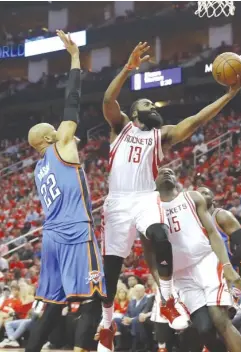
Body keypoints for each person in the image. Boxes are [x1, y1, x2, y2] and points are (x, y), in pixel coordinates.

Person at [98, 41, 241, 351]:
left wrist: (228, 95)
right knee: (111, 270)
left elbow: (195, 121)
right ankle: (106, 322)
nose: (154, 108)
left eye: (154, 105)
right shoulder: (121, 128)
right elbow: (108, 98)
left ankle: (166, 299)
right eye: (148, 105)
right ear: (135, 112)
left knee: (218, 319)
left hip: (146, 207)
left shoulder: (161, 136)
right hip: (118, 204)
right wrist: (128, 68)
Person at [26, 30, 106, 352]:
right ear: (49, 138)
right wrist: (74, 58)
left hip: (51, 237)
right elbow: (71, 102)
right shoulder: (60, 146)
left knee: (54, 305)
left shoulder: (36, 168)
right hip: (75, 231)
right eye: (58, 131)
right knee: (93, 299)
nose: (68, 133)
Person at [153, 168, 241, 352]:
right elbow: (151, 253)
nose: (167, 173)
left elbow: (232, 241)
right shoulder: (150, 210)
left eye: (171, 171)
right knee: (204, 329)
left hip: (209, 263)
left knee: (221, 320)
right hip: (180, 274)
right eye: (161, 171)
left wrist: (228, 265)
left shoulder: (204, 205)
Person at [198, 187, 241, 282]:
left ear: (213, 199)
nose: (202, 196)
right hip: (210, 273)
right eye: (199, 194)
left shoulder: (222, 216)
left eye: (205, 193)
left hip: (232, 270)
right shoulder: (195, 222)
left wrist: (227, 267)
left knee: (226, 297)